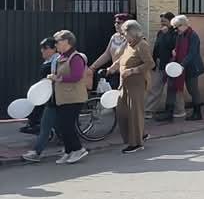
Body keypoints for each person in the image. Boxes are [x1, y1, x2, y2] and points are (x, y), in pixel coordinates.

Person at [109, 19, 154, 154]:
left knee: (134, 113)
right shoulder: (130, 44)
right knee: (123, 112)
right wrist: (113, 67)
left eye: (125, 33)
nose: (123, 36)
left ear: (133, 33)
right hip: (125, 84)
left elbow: (150, 64)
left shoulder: (142, 45)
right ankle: (140, 134)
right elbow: (123, 58)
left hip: (136, 84)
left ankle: (136, 143)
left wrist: (133, 70)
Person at [50, 30, 89, 164]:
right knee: (62, 126)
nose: (56, 44)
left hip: (74, 97)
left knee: (67, 126)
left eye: (58, 41)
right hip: (63, 98)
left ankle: (78, 149)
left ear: (67, 42)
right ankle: (68, 151)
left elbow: (77, 76)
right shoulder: (61, 57)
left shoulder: (75, 57)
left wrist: (58, 78)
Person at [157, 15, 204, 122]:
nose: (175, 29)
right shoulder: (180, 34)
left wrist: (182, 65)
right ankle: (168, 112)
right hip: (178, 66)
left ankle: (197, 113)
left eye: (177, 27)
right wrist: (175, 52)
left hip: (191, 67)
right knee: (171, 87)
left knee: (193, 90)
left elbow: (192, 53)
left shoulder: (193, 35)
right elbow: (178, 48)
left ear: (183, 25)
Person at [21, 38, 60, 162]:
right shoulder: (49, 62)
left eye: (45, 48)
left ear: (54, 48)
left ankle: (74, 148)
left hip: (56, 97)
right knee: (50, 125)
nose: (42, 51)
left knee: (52, 125)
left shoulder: (57, 61)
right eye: (42, 48)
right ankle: (72, 148)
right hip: (49, 98)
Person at [145, 12, 182, 120]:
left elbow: (173, 46)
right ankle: (148, 110)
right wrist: (153, 61)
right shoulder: (160, 32)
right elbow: (157, 47)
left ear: (171, 21)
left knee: (174, 88)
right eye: (161, 21)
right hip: (161, 63)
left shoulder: (175, 33)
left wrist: (166, 34)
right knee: (156, 87)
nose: (162, 23)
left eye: (164, 21)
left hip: (172, 64)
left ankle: (179, 110)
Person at [90, 13, 131, 89]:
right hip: (114, 73)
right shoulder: (114, 37)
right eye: (115, 22)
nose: (116, 25)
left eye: (119, 23)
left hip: (126, 73)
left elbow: (126, 56)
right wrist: (93, 67)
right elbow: (107, 54)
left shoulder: (130, 38)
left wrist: (112, 68)